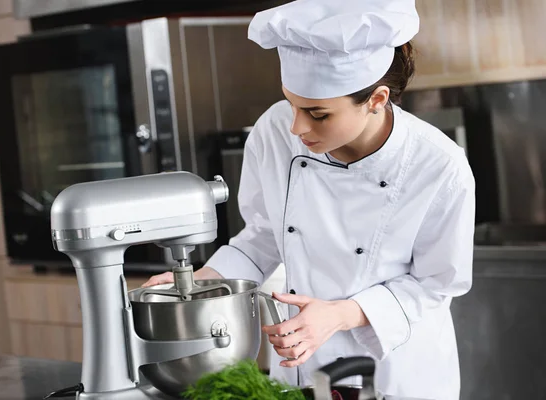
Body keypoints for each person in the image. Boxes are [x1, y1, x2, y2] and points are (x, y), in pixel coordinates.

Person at [143, 0, 475, 399]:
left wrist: (337, 315)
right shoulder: (273, 131)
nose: (297, 126)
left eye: (317, 114)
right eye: (291, 104)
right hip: (305, 365)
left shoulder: (438, 164)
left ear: (377, 100)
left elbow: (434, 285)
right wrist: (201, 282)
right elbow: (263, 237)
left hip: (396, 371)